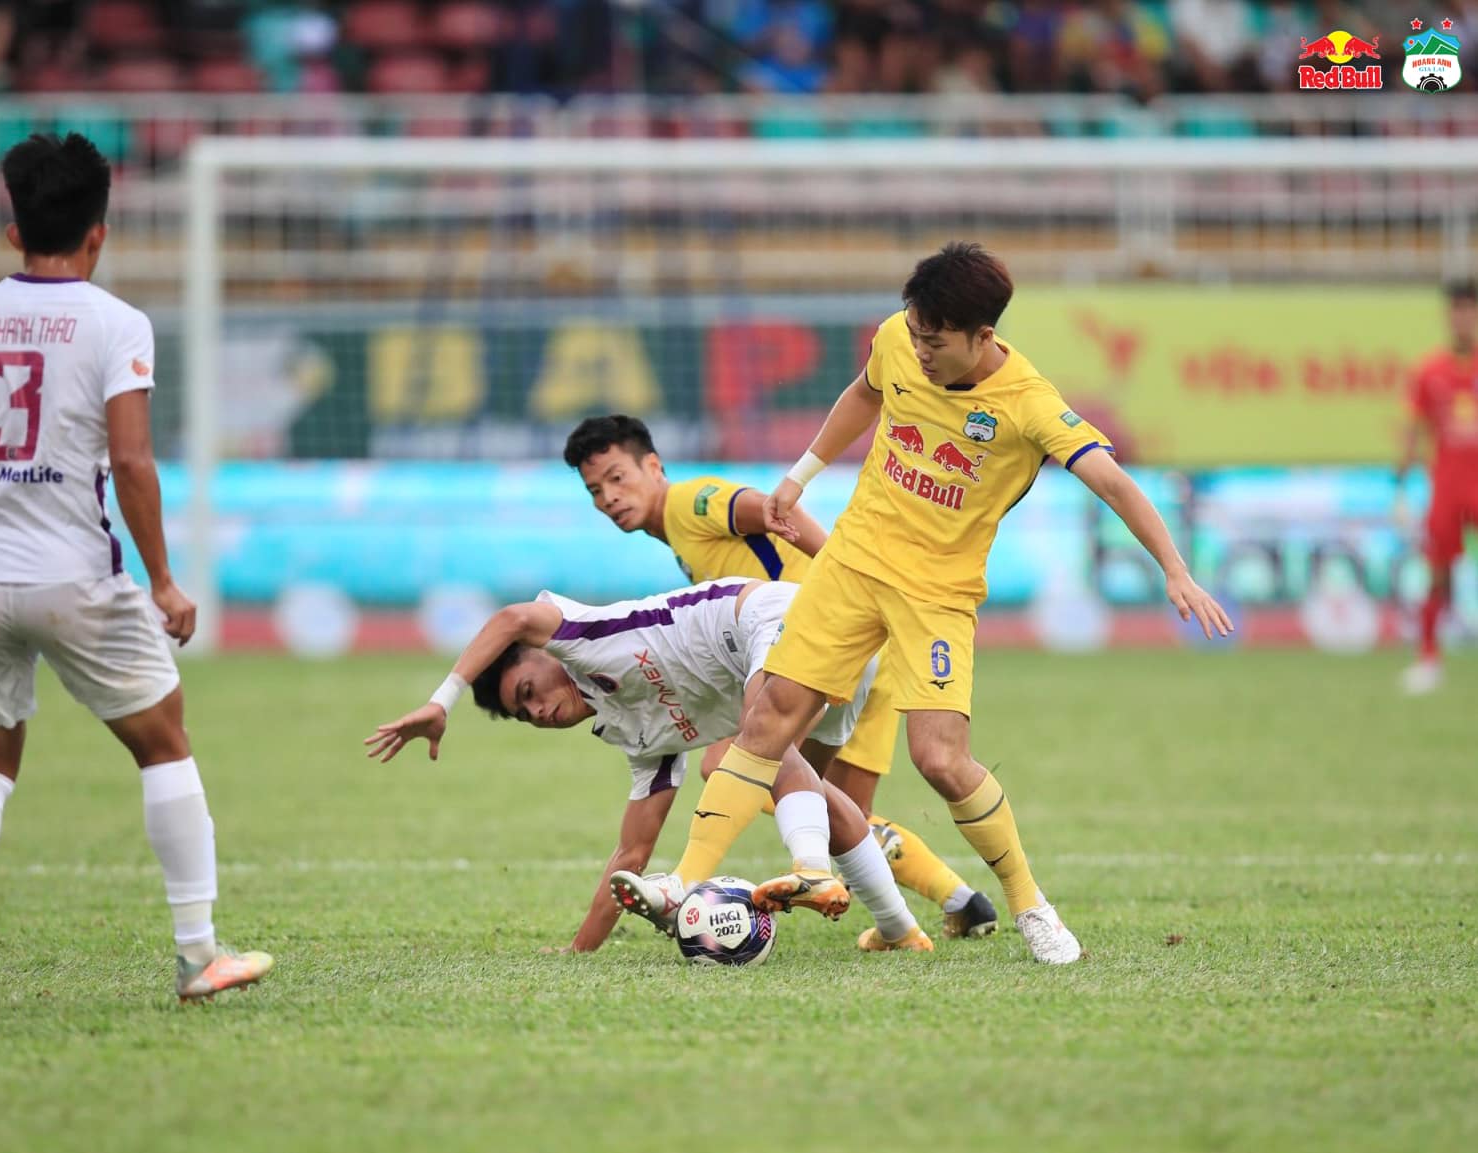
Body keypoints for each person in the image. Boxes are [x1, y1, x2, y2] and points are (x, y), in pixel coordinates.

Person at [707, 241, 1234, 964]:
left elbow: (1110, 480)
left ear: (983, 336)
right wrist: (800, 476)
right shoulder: (898, 340)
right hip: (853, 561)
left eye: (936, 341)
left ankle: (1028, 904)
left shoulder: (1027, 405)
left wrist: (1174, 568)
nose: (919, 351)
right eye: (914, 333)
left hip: (937, 591)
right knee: (768, 716)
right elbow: (865, 391)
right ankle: (684, 884)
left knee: (939, 760)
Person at [0, 133, 272, 1010]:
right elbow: (131, 463)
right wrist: (164, 580)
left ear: (11, 231)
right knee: (163, 741)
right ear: (100, 233)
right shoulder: (116, 322)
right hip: (75, 579)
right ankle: (198, 952)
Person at [561, 414, 997, 939]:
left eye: (616, 477)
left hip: (818, 644)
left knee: (735, 760)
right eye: (594, 490)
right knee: (842, 808)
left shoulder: (690, 502)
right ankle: (958, 900)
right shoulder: (676, 534)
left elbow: (770, 509)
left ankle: (740, 879)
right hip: (864, 650)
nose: (608, 497)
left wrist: (845, 581)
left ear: (653, 466)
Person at [364, 577, 937, 954]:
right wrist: (579, 950)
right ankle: (900, 931)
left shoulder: (586, 638)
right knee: (805, 788)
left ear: (546, 654)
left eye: (530, 689)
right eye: (526, 712)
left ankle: (716, 881)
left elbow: (514, 617)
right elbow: (630, 854)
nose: (538, 709)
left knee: (738, 755)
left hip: (779, 621)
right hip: (842, 668)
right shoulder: (636, 733)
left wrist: (443, 700)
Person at [1398, 279, 1478, 696]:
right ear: (1449, 317)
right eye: (1457, 311)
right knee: (1438, 572)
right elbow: (1413, 429)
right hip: (1448, 484)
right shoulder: (1431, 371)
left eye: (1470, 311)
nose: (1463, 319)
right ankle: (1429, 658)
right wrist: (1400, 486)